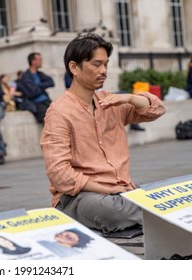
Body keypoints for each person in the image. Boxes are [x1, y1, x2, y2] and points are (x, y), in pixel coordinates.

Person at [40, 33, 166, 233]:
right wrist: (110, 190)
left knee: (160, 195)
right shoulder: (59, 112)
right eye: (96, 64)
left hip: (121, 192)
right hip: (80, 198)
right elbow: (60, 174)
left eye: (106, 64)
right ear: (74, 67)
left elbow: (156, 109)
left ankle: (151, 209)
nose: (104, 71)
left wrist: (129, 99)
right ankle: (157, 212)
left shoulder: (110, 101)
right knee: (115, 211)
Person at [20, 52, 54, 123]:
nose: (41, 62)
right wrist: (43, 86)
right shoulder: (26, 76)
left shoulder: (39, 74)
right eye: (39, 60)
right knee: (48, 119)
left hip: (46, 101)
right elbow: (32, 92)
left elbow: (51, 82)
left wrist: (38, 85)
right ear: (33, 61)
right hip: (35, 103)